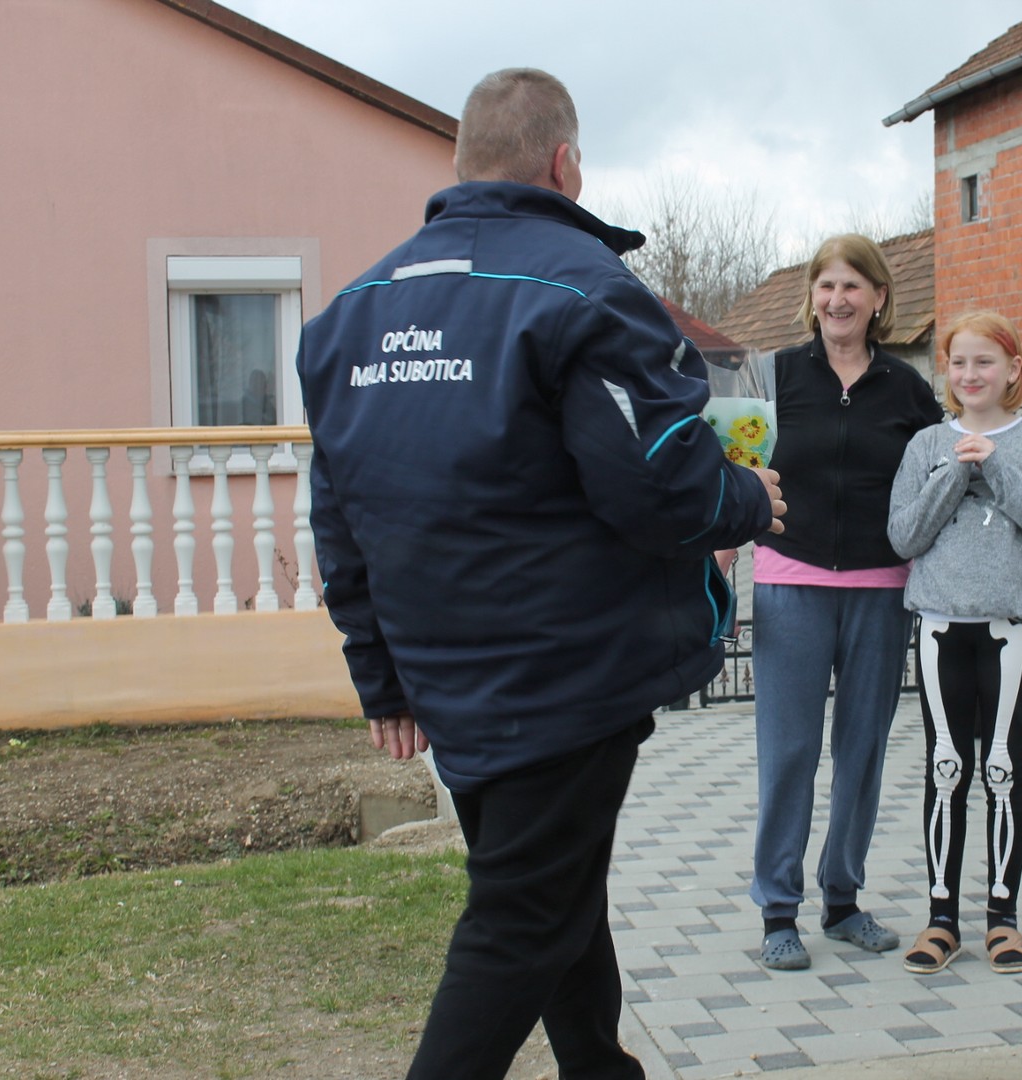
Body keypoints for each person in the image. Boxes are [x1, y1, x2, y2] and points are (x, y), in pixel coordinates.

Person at [296, 68, 783, 1080]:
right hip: (563, 676)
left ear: (462, 160)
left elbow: (338, 518)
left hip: (451, 676)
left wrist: (382, 677)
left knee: (556, 892)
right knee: (522, 917)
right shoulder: (585, 290)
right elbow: (655, 484)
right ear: (565, 164)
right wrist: (746, 498)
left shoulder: (351, 314)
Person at [738, 236, 1022, 971]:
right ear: (811, 296)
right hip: (791, 581)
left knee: (862, 751)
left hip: (881, 591)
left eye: (853, 286)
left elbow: (964, 483)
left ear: (880, 298)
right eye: (826, 285)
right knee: (788, 752)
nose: (838, 299)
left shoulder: (907, 391)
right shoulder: (775, 376)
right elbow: (737, 464)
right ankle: (778, 910)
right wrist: (722, 542)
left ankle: (842, 899)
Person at [886, 312, 1022, 976]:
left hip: (1009, 630)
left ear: (1013, 369)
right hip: (941, 627)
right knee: (946, 768)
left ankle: (1004, 918)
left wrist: (997, 468)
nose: (970, 375)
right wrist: (953, 474)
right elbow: (903, 537)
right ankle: (941, 919)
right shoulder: (925, 446)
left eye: (985, 362)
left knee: (1003, 768)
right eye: (959, 362)